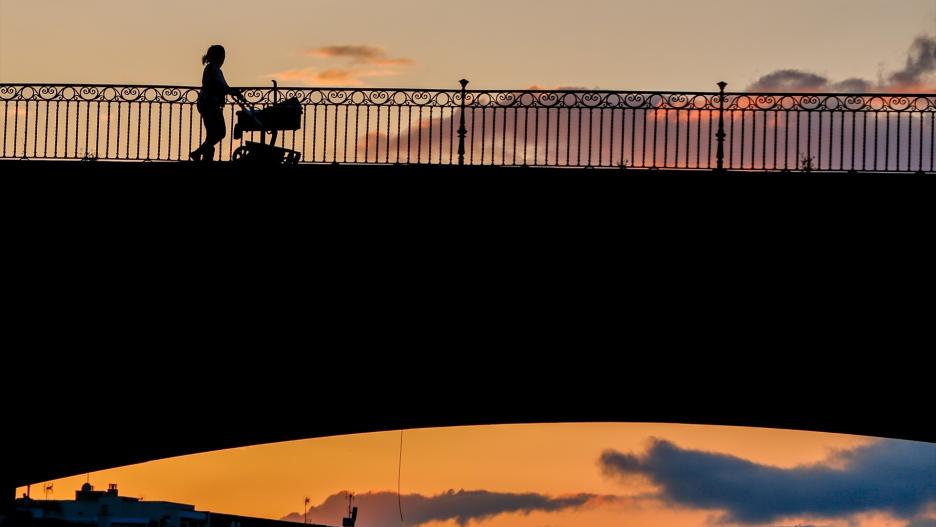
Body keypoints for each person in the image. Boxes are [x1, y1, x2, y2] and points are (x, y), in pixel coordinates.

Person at [190, 45, 244, 161]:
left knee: (213, 133)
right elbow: (218, 86)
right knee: (220, 132)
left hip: (210, 104)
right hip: (209, 104)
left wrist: (234, 92)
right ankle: (199, 153)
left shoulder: (215, 69)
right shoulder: (212, 69)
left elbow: (224, 87)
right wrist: (231, 92)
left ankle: (205, 155)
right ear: (218, 56)